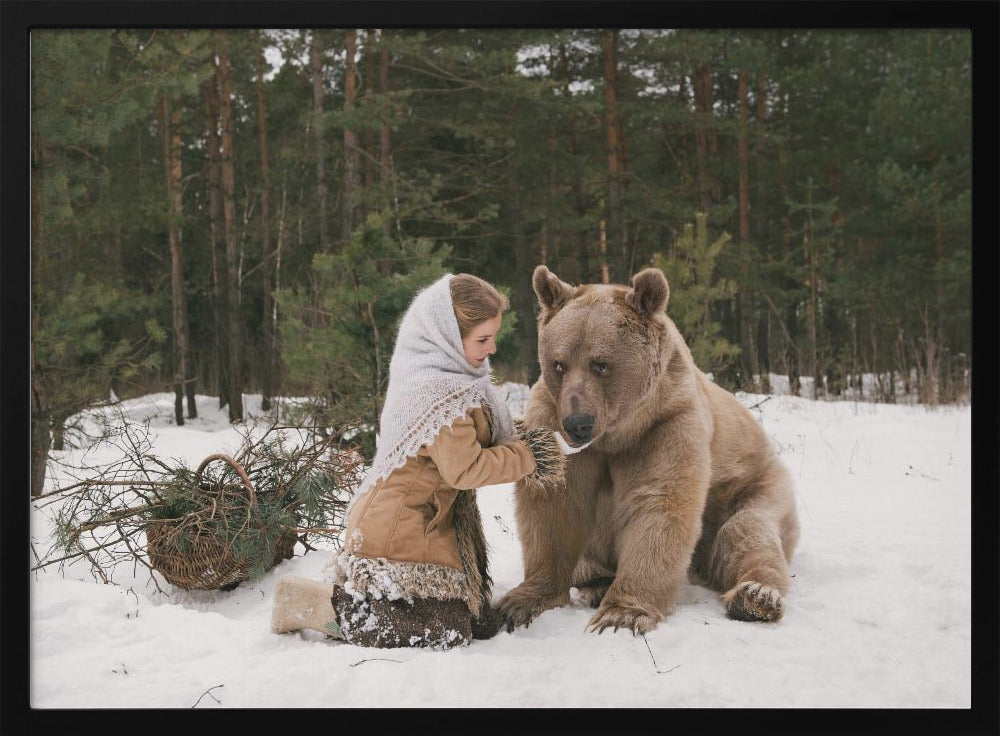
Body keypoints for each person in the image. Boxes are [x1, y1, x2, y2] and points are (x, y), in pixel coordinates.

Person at [270, 273, 565, 649]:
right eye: (482, 339)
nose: (491, 349)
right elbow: (466, 468)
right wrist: (533, 454)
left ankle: (380, 604)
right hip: (399, 528)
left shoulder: (452, 377)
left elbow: (479, 438)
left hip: (424, 521)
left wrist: (537, 439)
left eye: (493, 337)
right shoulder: (439, 393)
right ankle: (313, 605)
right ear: (447, 337)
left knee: (474, 623)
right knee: (445, 629)